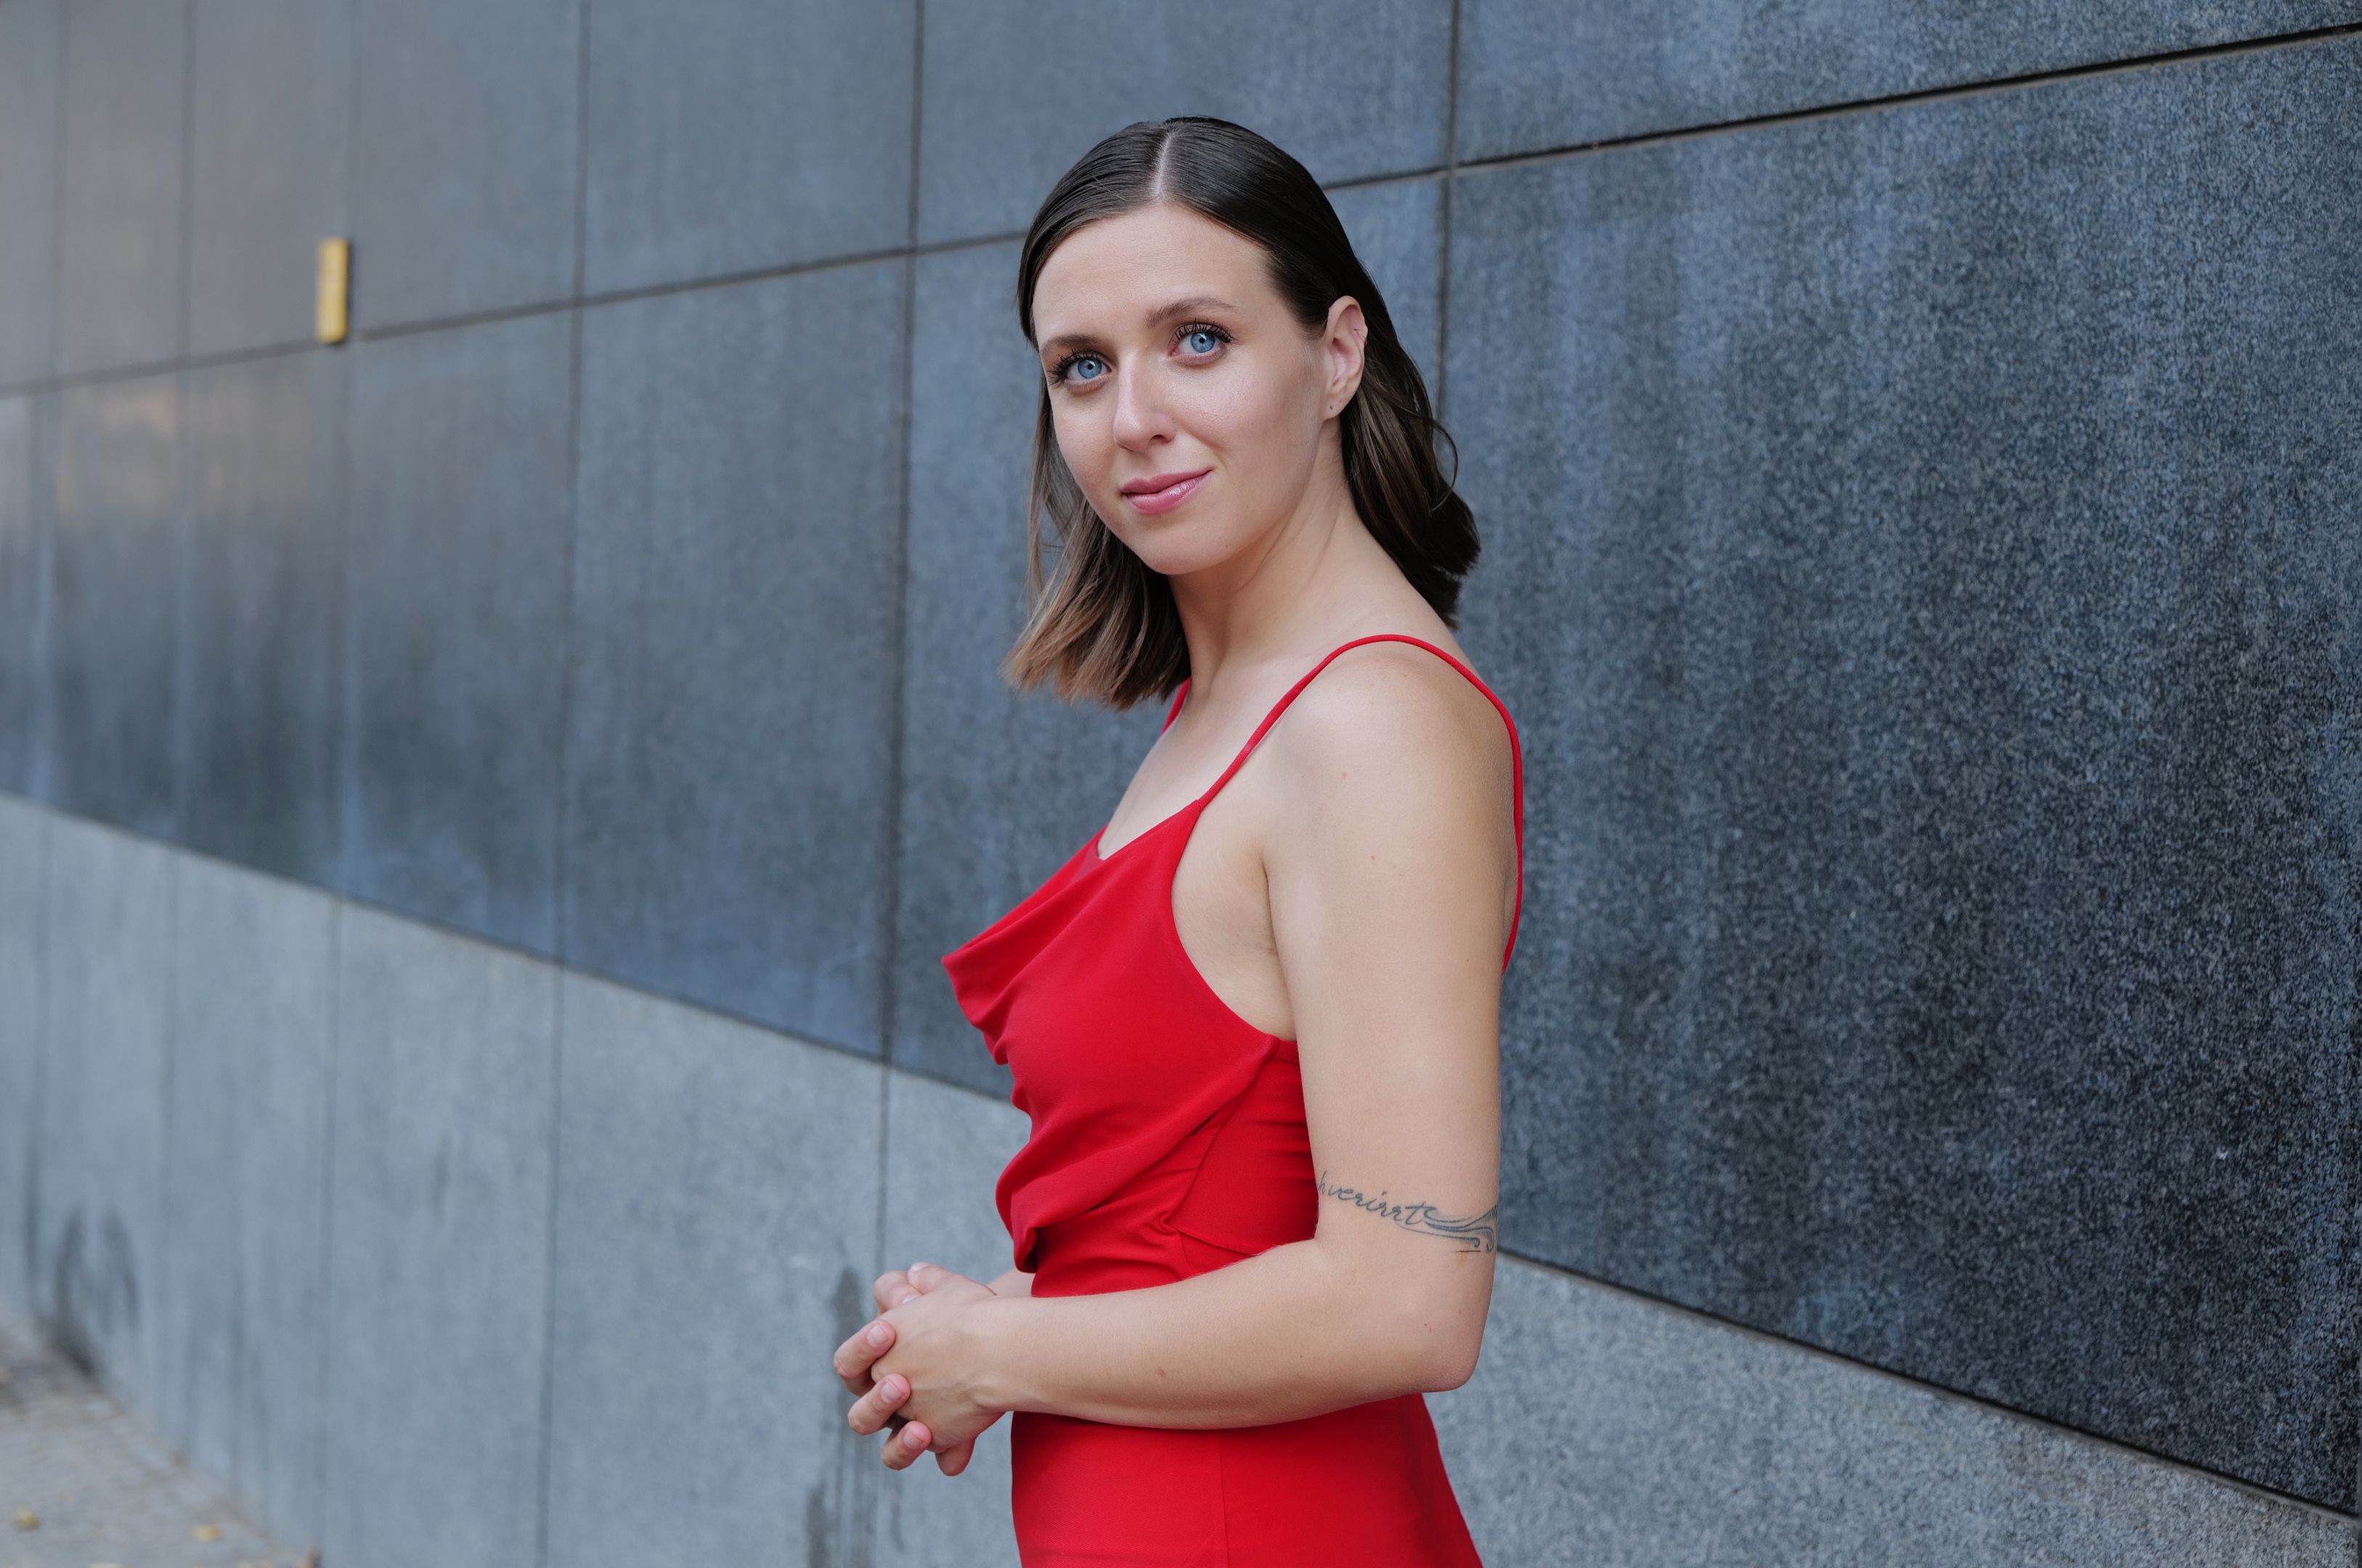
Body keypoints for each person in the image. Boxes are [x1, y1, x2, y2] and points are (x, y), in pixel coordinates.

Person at [833, 115, 1524, 1564]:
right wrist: (1005, 1319)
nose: (1130, 414)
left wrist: (999, 1355)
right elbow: (1207, 1214)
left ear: (1336, 355)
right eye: (1080, 367)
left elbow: (1407, 1299)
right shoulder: (1233, 704)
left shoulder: (1370, 723)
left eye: (1196, 339)